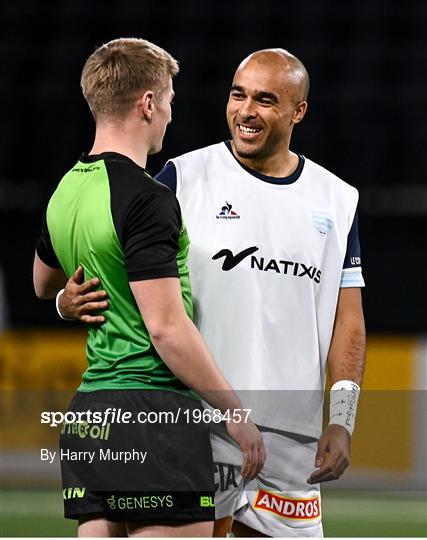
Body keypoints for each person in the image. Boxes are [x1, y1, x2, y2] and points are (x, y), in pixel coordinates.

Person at [57, 48, 366, 538]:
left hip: (290, 444)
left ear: (298, 112)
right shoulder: (181, 178)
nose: (246, 110)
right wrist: (63, 300)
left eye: (266, 100)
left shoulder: (337, 199)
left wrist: (342, 420)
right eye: (238, 94)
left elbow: (348, 321)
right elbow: (112, 267)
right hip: (194, 426)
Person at [33, 38, 265, 538]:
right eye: (170, 102)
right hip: (153, 412)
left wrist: (62, 304)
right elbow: (165, 328)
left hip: (92, 417)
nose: (170, 117)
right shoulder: (146, 198)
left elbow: (42, 281)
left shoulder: (65, 191)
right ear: (148, 103)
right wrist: (235, 413)